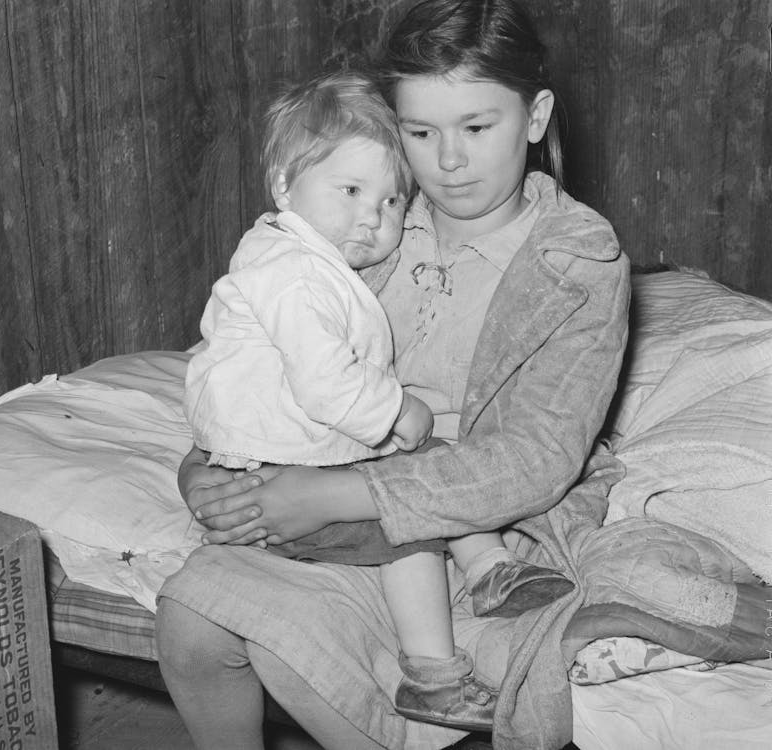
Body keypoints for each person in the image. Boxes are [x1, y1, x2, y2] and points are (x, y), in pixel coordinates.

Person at [157, 0, 631, 747]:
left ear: (535, 117)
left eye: (477, 128)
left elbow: (536, 459)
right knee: (190, 620)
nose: (449, 160)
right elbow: (261, 354)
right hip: (325, 467)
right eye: (420, 133)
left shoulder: (579, 263)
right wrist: (204, 470)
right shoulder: (361, 223)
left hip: (483, 518)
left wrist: (326, 495)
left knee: (299, 652)